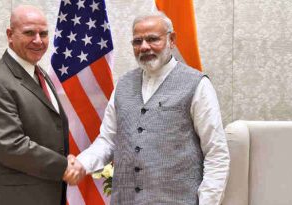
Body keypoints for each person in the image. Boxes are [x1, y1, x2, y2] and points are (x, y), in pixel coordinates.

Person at [75, 12, 230, 205]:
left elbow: (216, 153)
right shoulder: (123, 85)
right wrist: (81, 164)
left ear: (171, 40)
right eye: (137, 41)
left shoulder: (197, 84)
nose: (144, 47)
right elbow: (108, 141)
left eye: (152, 39)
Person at [0, 5, 84, 205]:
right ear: (10, 35)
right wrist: (63, 167)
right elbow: (12, 147)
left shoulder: (38, 73)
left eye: (44, 33)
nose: (38, 40)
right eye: (29, 33)